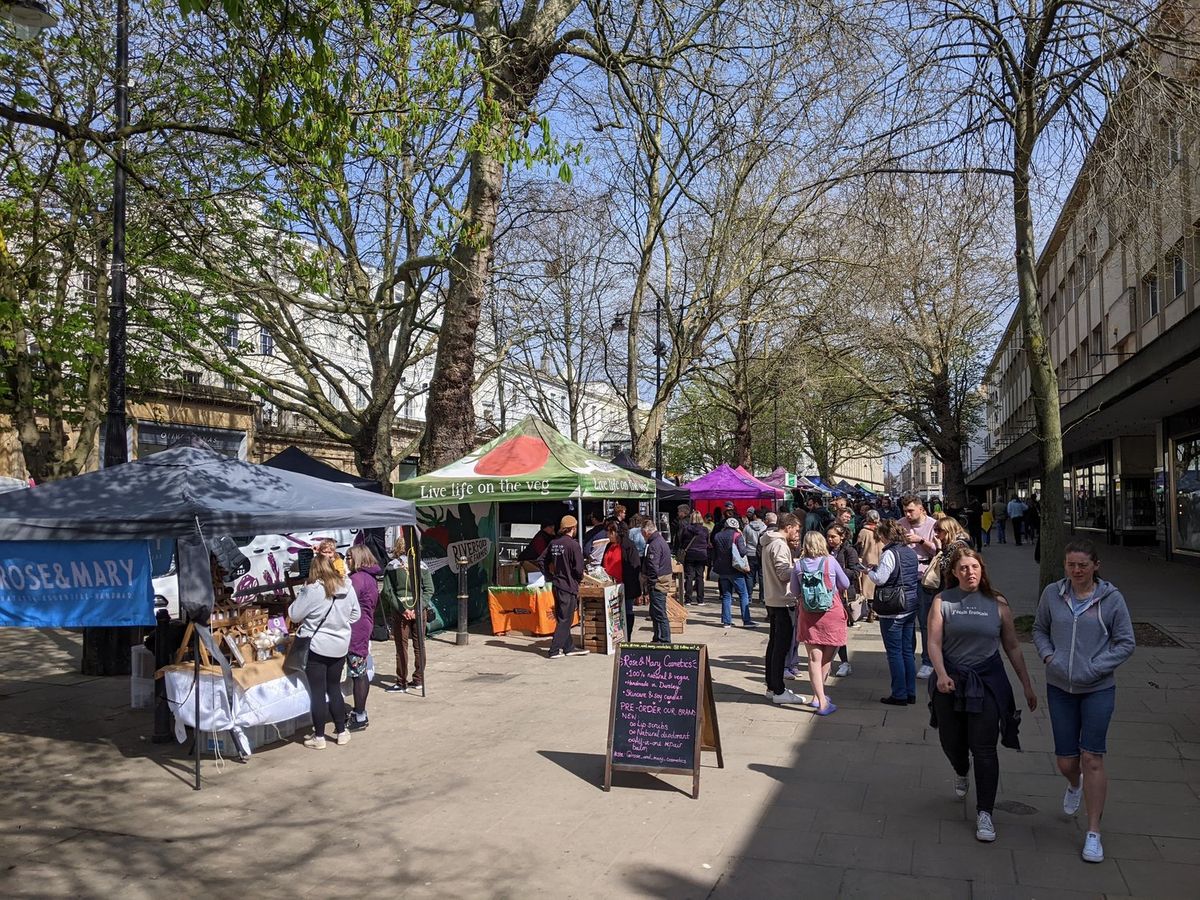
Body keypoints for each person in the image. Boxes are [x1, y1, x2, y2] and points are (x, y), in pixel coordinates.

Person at [1032, 540, 1135, 864]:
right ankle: (1073, 784)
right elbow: (1039, 630)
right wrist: (1049, 656)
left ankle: (1093, 832)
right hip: (1060, 686)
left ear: (1095, 566)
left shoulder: (1112, 599)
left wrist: (1095, 666)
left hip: (1098, 689)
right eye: (1071, 565)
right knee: (1066, 762)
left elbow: (1125, 642)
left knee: (1092, 757)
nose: (1076, 571)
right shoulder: (1052, 594)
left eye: (1083, 565)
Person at [928, 548, 1037, 844]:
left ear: (982, 569)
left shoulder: (998, 604)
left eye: (974, 567)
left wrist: (1026, 684)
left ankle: (985, 812)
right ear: (954, 573)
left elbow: (1012, 646)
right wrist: (940, 674)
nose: (970, 572)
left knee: (985, 748)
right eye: (963, 568)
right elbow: (934, 643)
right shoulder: (942, 601)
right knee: (952, 741)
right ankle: (961, 769)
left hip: (987, 681)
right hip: (951, 679)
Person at [289, 554, 361, 749]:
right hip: (339, 646)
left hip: (317, 646)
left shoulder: (313, 590)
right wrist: (340, 624)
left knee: (318, 692)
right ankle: (341, 731)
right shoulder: (347, 586)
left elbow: (294, 615)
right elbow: (356, 614)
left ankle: (319, 737)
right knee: (334, 688)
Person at [791, 532, 850, 716]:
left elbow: (794, 591)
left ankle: (818, 697)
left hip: (808, 616)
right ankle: (822, 701)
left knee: (813, 659)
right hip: (831, 613)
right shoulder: (830, 561)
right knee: (827, 658)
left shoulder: (798, 565)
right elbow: (846, 583)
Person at [868, 519, 919, 706]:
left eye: (880, 535)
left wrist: (869, 572)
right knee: (907, 651)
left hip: (894, 607)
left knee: (894, 653)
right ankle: (910, 692)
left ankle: (899, 694)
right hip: (911, 604)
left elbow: (880, 579)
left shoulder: (890, 553)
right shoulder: (910, 552)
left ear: (885, 535)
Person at [760, 513, 808, 705]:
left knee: (774, 645)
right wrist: (799, 566)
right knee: (781, 646)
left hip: (772, 598)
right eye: (796, 530)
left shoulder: (768, 541)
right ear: (788, 527)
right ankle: (779, 690)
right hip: (782, 600)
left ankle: (772, 686)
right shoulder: (779, 544)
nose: (797, 533)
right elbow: (782, 573)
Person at [381, 532, 433, 694]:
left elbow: (388, 592)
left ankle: (401, 681)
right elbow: (429, 589)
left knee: (401, 647)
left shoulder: (392, 566)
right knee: (419, 646)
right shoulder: (422, 565)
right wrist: (417, 609)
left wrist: (403, 610)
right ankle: (419, 679)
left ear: (397, 548)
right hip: (419, 611)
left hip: (400, 612)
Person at [899, 495, 939, 680]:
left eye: (910, 511)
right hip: (905, 577)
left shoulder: (932, 525)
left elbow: (938, 551)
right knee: (906, 620)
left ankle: (928, 661)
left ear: (921, 509)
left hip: (925, 578)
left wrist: (920, 540)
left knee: (925, 622)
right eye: (905, 511)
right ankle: (908, 658)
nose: (907, 515)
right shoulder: (900, 524)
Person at [540, 516, 588, 659]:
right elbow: (579, 569)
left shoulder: (553, 543)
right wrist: (578, 578)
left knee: (563, 617)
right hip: (568, 585)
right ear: (573, 528)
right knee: (565, 619)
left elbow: (541, 560)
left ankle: (569, 647)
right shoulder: (573, 545)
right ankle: (554, 650)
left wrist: (549, 576)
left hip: (557, 584)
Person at [345, 544, 382, 730]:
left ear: (358, 558)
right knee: (360, 672)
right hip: (364, 626)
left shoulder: (358, 579)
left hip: (356, 630)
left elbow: (345, 601)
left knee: (358, 673)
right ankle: (360, 712)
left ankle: (359, 714)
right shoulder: (370, 577)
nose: (346, 560)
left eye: (349, 557)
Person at [826, 524, 860, 677]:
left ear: (842, 537)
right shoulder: (826, 550)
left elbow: (855, 572)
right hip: (827, 594)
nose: (830, 539)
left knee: (839, 630)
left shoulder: (849, 551)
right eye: (828, 536)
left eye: (833, 536)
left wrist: (836, 568)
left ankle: (844, 662)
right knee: (830, 630)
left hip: (843, 594)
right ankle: (830, 661)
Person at [712, 516, 754, 629]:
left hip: (722, 569)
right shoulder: (737, 535)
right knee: (743, 594)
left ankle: (726, 622)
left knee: (726, 595)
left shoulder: (717, 536)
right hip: (735, 569)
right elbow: (743, 551)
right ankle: (746, 620)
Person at [641, 518, 673, 643]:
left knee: (659, 612)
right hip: (661, 580)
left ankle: (664, 639)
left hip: (658, 582)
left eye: (643, 533)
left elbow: (653, 566)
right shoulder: (660, 541)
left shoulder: (654, 544)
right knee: (655, 612)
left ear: (646, 532)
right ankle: (658, 637)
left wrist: (651, 582)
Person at [676, 510, 711, 605]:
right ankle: (700, 600)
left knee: (689, 577)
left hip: (690, 554)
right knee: (700, 577)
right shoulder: (705, 530)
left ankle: (688, 599)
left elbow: (681, 542)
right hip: (701, 554)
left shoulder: (686, 529)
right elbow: (708, 542)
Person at [932, 516, 973, 592]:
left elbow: (943, 567)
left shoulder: (958, 545)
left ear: (948, 530)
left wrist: (939, 548)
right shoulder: (951, 543)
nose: (936, 533)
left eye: (939, 530)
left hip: (957, 585)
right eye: (935, 530)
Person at [742, 506, 768, 604]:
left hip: (750, 553)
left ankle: (749, 597)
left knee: (749, 576)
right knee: (762, 576)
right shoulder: (765, 527)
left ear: (755, 516)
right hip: (761, 554)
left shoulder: (747, 527)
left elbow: (743, 541)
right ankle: (762, 597)